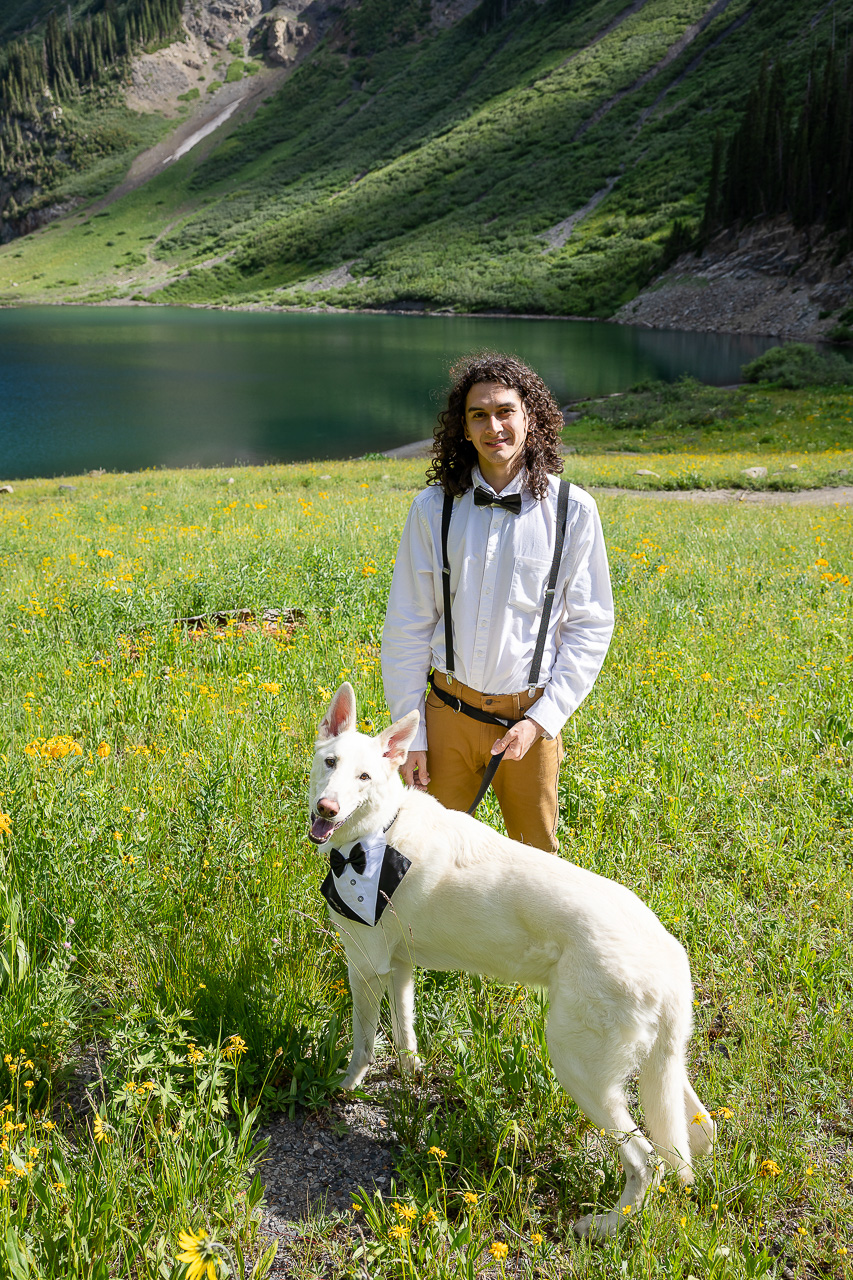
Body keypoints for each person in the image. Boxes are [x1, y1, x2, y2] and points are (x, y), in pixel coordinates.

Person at [381, 352, 614, 852]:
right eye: (478, 415)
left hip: (529, 722)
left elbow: (591, 626)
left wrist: (544, 720)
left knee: (537, 867)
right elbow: (408, 623)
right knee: (417, 856)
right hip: (445, 716)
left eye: (506, 411)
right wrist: (412, 733)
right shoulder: (432, 509)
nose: (494, 426)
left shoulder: (574, 510)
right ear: (463, 428)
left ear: (530, 417)